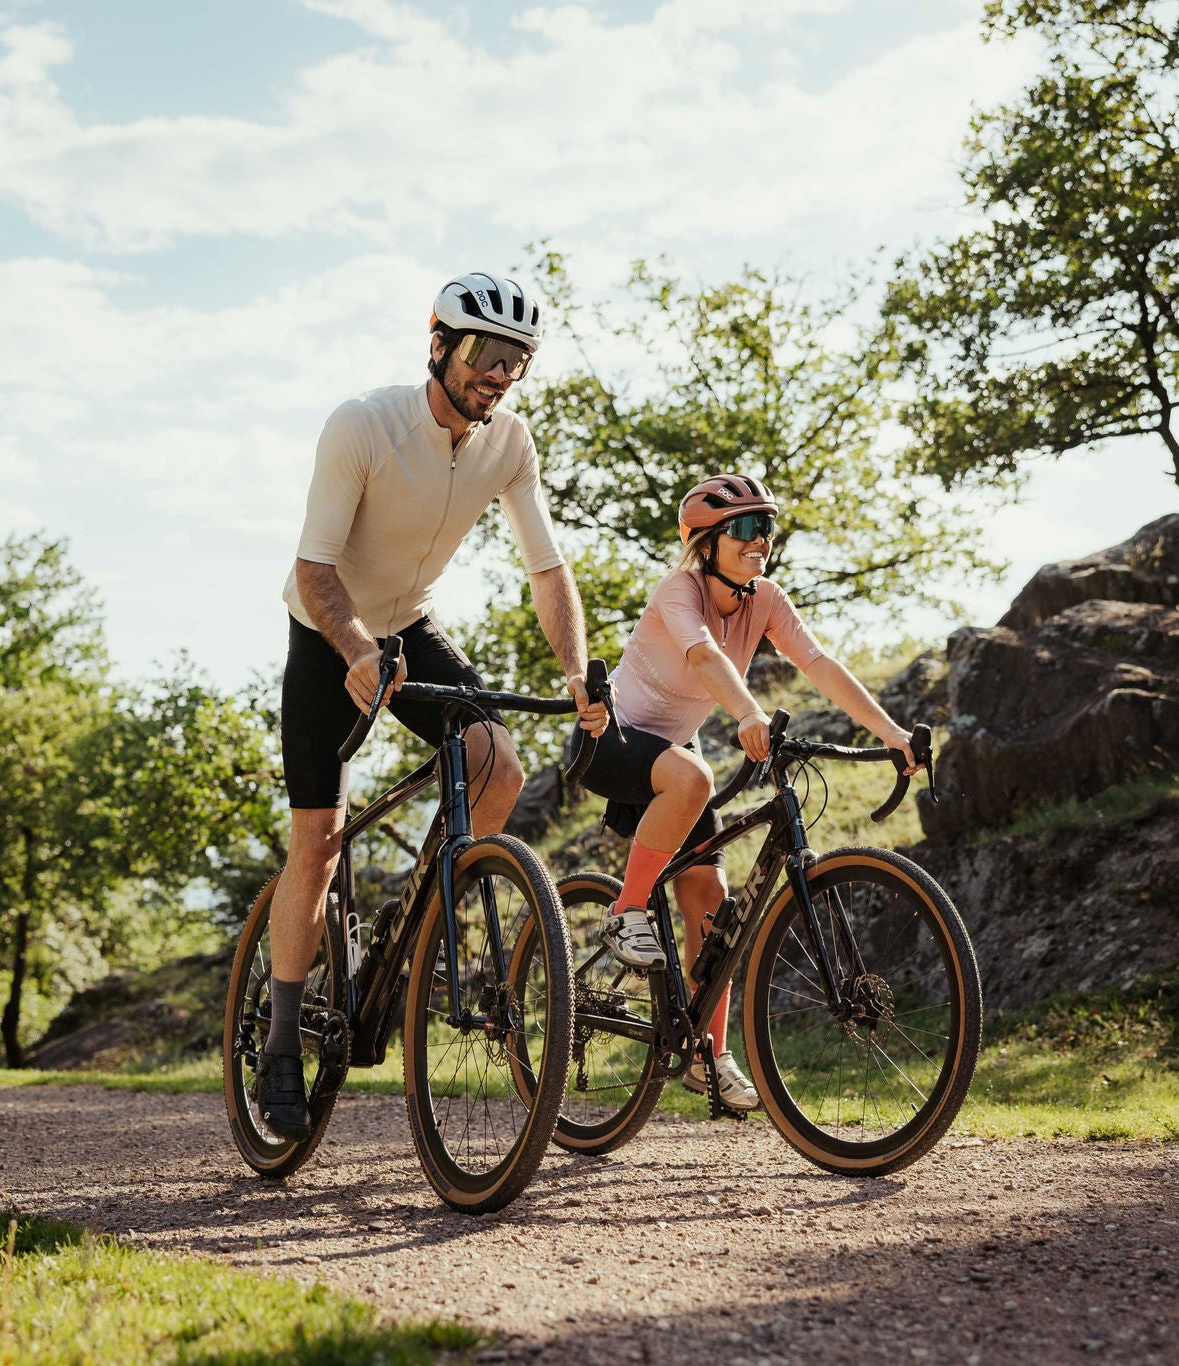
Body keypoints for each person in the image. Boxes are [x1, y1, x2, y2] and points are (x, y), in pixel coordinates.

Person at [257, 271, 610, 1139]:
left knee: (499, 764)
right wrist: (353, 652)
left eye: (517, 363)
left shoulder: (509, 443)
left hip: (409, 625)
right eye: (489, 355)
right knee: (320, 840)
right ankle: (276, 1037)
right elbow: (315, 566)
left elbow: (548, 569)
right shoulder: (364, 424)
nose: (500, 375)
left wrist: (578, 673)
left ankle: (420, 919)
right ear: (442, 344)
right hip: (325, 632)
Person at [575, 473, 923, 1111]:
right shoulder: (676, 591)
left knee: (712, 903)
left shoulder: (766, 598)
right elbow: (707, 658)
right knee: (695, 776)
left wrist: (895, 734)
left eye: (765, 526)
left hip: (676, 751)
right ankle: (625, 913)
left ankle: (708, 1056)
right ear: (704, 542)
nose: (757, 538)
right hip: (616, 738)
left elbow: (818, 664)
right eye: (741, 527)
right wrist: (746, 714)